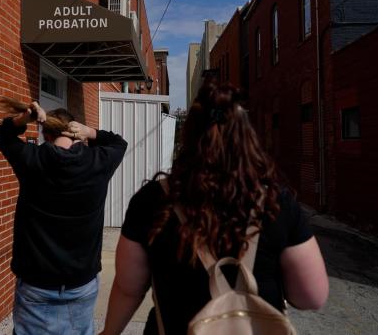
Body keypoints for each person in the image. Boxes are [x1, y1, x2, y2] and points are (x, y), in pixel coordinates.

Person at [100, 77, 329, 334]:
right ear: (247, 136)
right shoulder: (277, 203)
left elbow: (128, 288)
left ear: (189, 135)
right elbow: (311, 297)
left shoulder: (152, 200)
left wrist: (109, 332)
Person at [0, 98, 127, 335]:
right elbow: (119, 143)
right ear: (76, 134)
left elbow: (0, 134)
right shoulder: (98, 162)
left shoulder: (32, 160)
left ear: (46, 134)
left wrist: (25, 118)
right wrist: (90, 131)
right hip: (81, 283)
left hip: (36, 284)